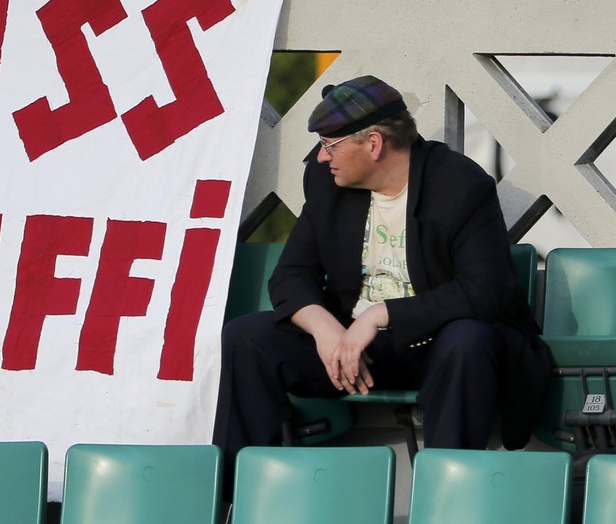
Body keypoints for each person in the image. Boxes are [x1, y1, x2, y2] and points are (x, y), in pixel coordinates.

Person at [213, 74, 552, 472]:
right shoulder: (327, 182)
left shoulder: (459, 184)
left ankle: (448, 500)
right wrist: (326, 330)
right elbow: (291, 274)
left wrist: (379, 314)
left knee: (467, 339)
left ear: (373, 144)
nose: (322, 157)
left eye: (330, 146)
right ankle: (240, 497)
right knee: (247, 338)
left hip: (436, 345)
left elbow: (485, 290)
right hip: (355, 348)